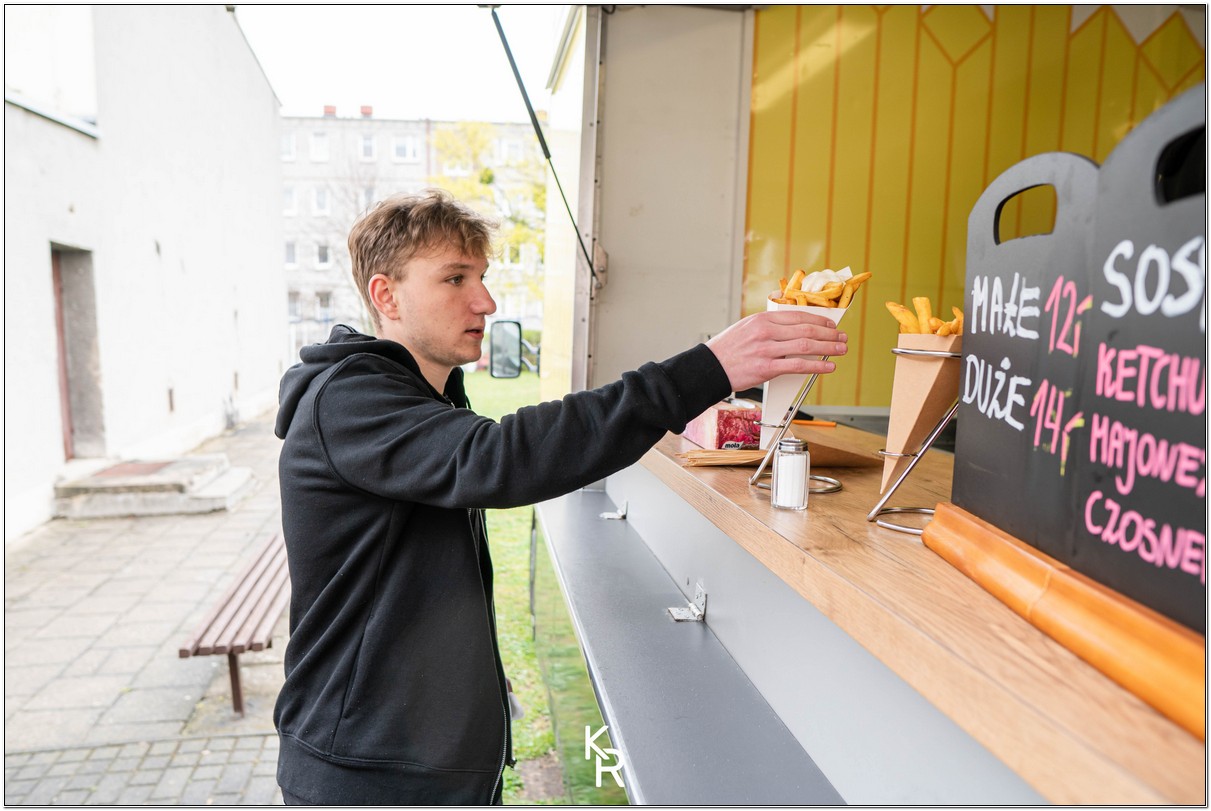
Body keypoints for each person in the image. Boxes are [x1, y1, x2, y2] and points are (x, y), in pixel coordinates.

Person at [272, 189, 847, 805]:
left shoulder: (419, 397)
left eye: (482, 277)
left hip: (420, 763)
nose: (485, 302)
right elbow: (498, 458)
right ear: (386, 296)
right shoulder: (351, 399)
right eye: (455, 279)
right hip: (368, 776)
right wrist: (707, 369)